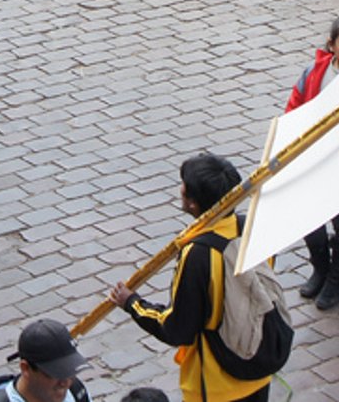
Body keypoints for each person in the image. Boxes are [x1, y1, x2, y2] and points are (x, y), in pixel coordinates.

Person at [111, 152, 289, 400]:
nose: (180, 188)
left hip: (216, 385)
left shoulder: (198, 254)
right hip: (258, 369)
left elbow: (178, 329)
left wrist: (132, 303)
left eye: (183, 186)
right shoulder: (252, 228)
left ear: (193, 203)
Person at [287, 16, 339, 299]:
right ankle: (320, 268)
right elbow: (295, 107)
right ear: (331, 45)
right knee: (310, 220)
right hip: (314, 159)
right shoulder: (314, 73)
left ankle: (336, 279)